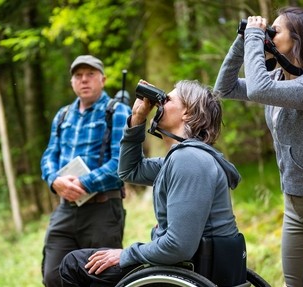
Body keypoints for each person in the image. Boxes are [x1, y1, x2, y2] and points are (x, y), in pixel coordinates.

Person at [214, 6, 303, 287]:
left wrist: (256, 37)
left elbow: (258, 90)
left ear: (299, 39)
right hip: (294, 207)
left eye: (274, 32)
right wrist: (243, 40)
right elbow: (224, 88)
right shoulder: (278, 79)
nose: (268, 36)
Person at [59, 80, 245, 286]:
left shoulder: (189, 160)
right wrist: (137, 119)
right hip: (190, 264)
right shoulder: (180, 159)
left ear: (187, 113)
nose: (160, 103)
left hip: (189, 269)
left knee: (74, 264)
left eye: (168, 99)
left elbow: (178, 246)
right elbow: (130, 171)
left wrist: (125, 254)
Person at [40, 55, 132, 287]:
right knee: (53, 276)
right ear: (72, 82)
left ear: (103, 79)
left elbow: (121, 162)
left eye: (90, 75)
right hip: (66, 209)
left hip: (103, 210)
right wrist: (55, 181)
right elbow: (49, 156)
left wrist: (84, 183)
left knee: (100, 277)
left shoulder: (117, 111)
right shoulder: (62, 116)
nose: (84, 80)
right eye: (78, 76)